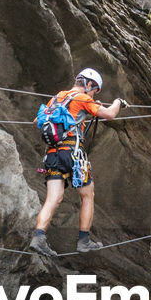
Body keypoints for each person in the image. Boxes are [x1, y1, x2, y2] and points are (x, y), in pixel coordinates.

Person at [30, 68, 126, 257]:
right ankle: (84, 241)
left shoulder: (58, 97)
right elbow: (109, 114)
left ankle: (38, 237)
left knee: (53, 198)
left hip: (52, 155)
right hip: (72, 155)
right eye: (94, 90)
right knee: (87, 195)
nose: (93, 94)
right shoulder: (83, 98)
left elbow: (36, 121)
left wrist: (82, 111)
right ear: (89, 84)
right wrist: (118, 102)